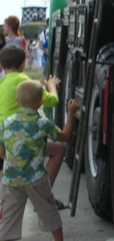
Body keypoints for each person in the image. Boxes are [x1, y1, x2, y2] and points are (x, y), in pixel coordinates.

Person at [0, 79, 79, 241]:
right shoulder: (42, 123)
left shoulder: (6, 123)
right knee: (49, 213)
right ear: (40, 101)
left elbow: (1, 153)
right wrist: (71, 114)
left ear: (16, 101)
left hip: (11, 179)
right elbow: (64, 137)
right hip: (36, 179)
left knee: (7, 221)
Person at [0, 45, 65, 189]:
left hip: (3, 137)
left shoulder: (2, 83)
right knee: (59, 149)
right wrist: (51, 85)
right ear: (24, 62)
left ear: (1, 65)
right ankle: (43, 192)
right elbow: (53, 101)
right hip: (17, 137)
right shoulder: (24, 80)